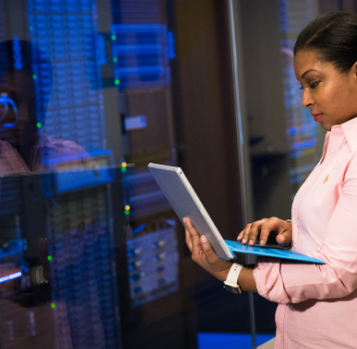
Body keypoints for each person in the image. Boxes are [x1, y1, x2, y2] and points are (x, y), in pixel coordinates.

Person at [184, 11, 357, 349]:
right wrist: (297, 229)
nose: (305, 99)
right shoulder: (340, 142)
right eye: (302, 86)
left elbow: (338, 273)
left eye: (314, 82)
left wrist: (231, 273)